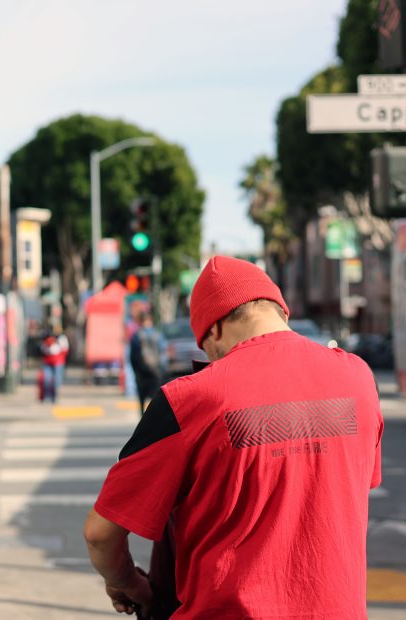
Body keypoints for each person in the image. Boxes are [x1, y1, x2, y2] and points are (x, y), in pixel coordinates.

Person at [84, 255, 383, 619]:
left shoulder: (189, 399)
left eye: (205, 348)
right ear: (280, 312)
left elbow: (101, 533)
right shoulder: (359, 379)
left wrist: (129, 583)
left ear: (214, 330)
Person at [129, 313, 163, 416]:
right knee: (155, 398)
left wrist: (136, 370)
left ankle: (142, 419)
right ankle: (154, 419)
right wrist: (161, 370)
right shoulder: (157, 334)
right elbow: (162, 353)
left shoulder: (136, 335)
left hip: (141, 372)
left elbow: (132, 356)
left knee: (142, 399)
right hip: (155, 371)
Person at [39, 329, 69, 403]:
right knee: (47, 380)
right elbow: (42, 349)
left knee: (56, 381)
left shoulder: (61, 338)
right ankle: (46, 396)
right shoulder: (46, 339)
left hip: (58, 362)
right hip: (47, 362)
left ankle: (54, 397)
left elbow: (65, 350)